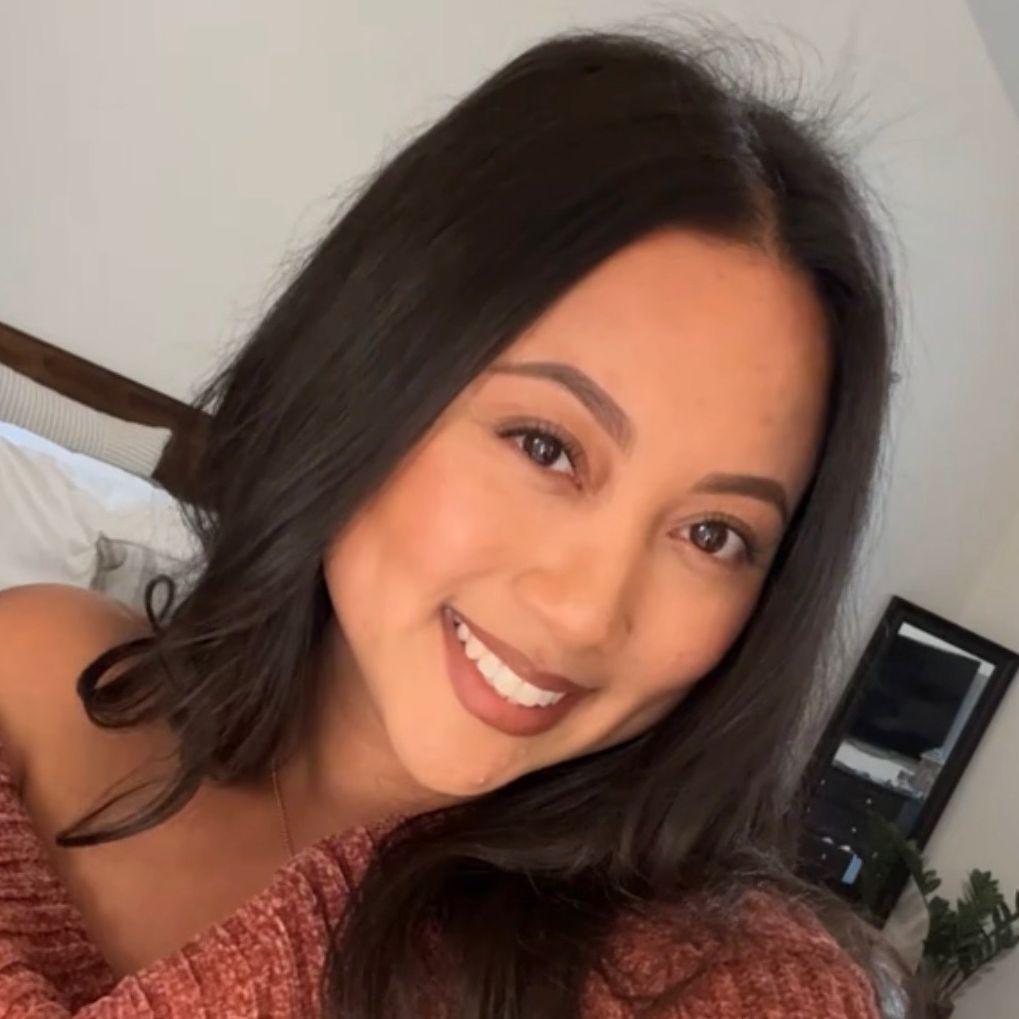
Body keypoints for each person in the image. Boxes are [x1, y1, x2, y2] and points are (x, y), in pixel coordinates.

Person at [0, 25, 915, 1018]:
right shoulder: (34, 680)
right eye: (544, 445)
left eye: (712, 535)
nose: (583, 611)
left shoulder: (718, 983)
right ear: (366, 372)